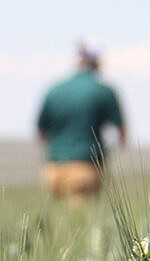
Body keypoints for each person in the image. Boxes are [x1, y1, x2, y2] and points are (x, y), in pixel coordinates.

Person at [36, 40, 126, 202]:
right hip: (85, 171)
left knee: (58, 224)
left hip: (53, 170)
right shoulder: (104, 91)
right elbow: (121, 134)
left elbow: (40, 134)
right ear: (97, 60)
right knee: (80, 223)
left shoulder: (54, 90)